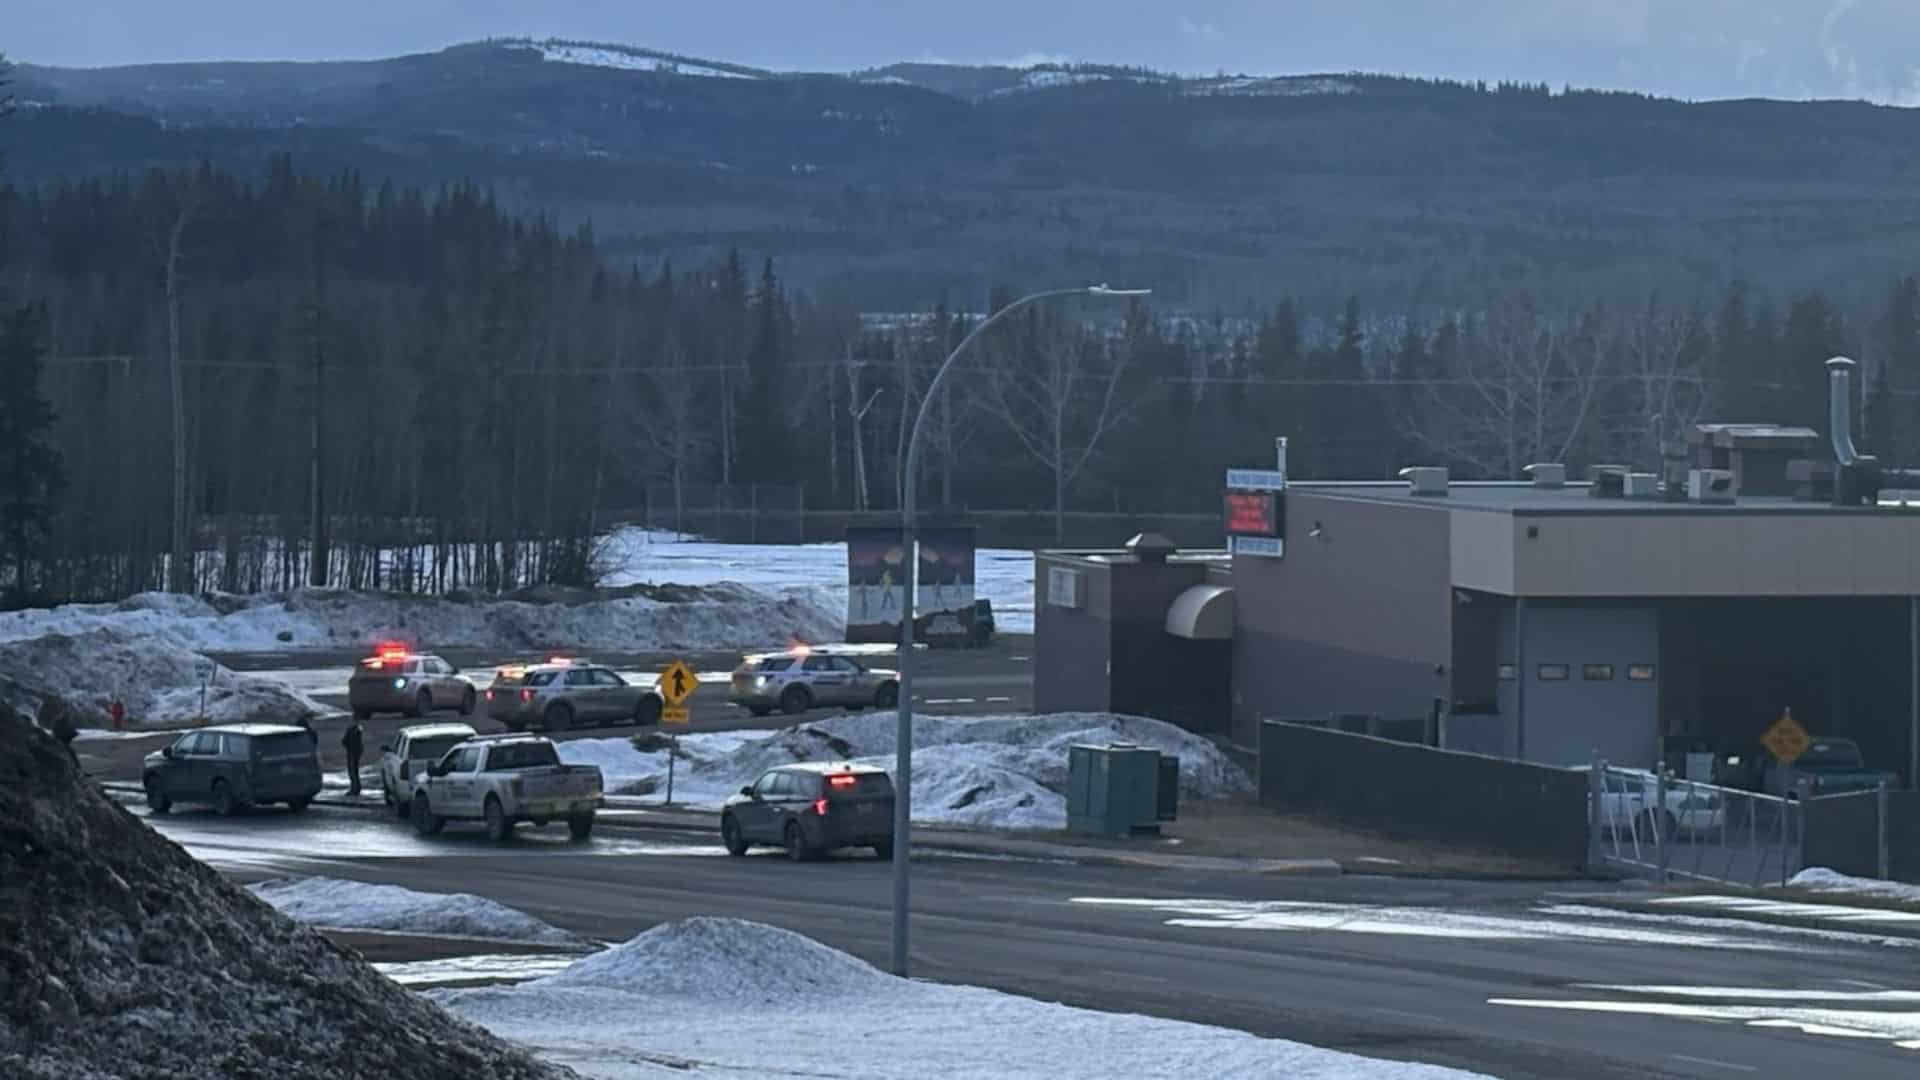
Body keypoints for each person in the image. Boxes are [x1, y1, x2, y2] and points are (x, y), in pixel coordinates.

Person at [342, 718, 365, 796]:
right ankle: (356, 787)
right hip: (355, 752)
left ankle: (354, 788)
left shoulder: (353, 730)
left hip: (352, 752)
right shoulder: (358, 729)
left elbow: (345, 741)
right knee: (354, 771)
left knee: (352, 771)